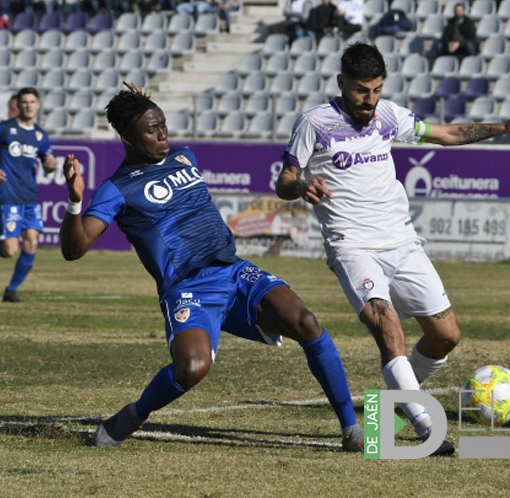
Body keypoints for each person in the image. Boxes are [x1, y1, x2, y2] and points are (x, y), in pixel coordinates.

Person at [59, 83, 365, 451]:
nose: (162, 134)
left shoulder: (185, 157)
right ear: (127, 138)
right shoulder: (117, 188)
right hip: (188, 288)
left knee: (308, 323)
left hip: (232, 272)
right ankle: (134, 414)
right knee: (192, 368)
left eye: (163, 124)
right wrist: (75, 202)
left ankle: (351, 429)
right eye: (151, 129)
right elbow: (74, 249)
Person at [276, 43, 510, 456]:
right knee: (388, 328)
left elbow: (448, 133)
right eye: (362, 91)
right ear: (342, 83)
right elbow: (285, 179)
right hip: (353, 244)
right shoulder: (315, 123)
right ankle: (425, 426)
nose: (370, 100)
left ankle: (395, 401)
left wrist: (504, 127)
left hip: (401, 241)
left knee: (446, 336)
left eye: (377, 90)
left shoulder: (387, 115)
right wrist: (301, 186)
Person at [0, 87, 56, 303]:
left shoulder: (40, 135)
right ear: (18, 105)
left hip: (30, 197)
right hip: (8, 196)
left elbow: (48, 165)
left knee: (32, 242)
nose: (28, 105)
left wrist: (51, 165)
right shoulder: (4, 129)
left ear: (38, 105)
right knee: (9, 250)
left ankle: (11, 290)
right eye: (24, 102)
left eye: (32, 101)